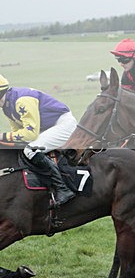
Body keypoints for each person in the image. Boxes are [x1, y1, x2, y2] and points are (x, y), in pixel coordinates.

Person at [0, 74, 77, 206]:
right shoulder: (6, 107)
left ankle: (62, 189)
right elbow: (17, 133)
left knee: (30, 150)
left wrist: (2, 137)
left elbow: (30, 134)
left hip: (63, 124)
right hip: (47, 127)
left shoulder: (21, 101)